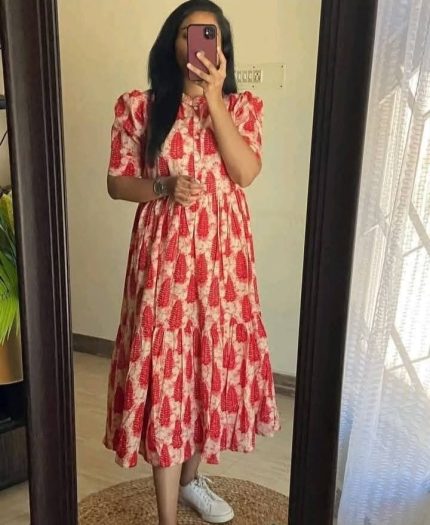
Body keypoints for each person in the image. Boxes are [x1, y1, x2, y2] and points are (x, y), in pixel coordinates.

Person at [103, 1, 280, 523]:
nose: (199, 42)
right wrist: (163, 186)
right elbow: (117, 184)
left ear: (222, 46)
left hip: (224, 264)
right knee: (166, 372)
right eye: (188, 33)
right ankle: (166, 516)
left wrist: (215, 99)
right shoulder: (139, 107)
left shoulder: (243, 107)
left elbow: (244, 173)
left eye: (210, 33)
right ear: (171, 44)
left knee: (208, 367)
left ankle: (189, 482)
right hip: (165, 262)